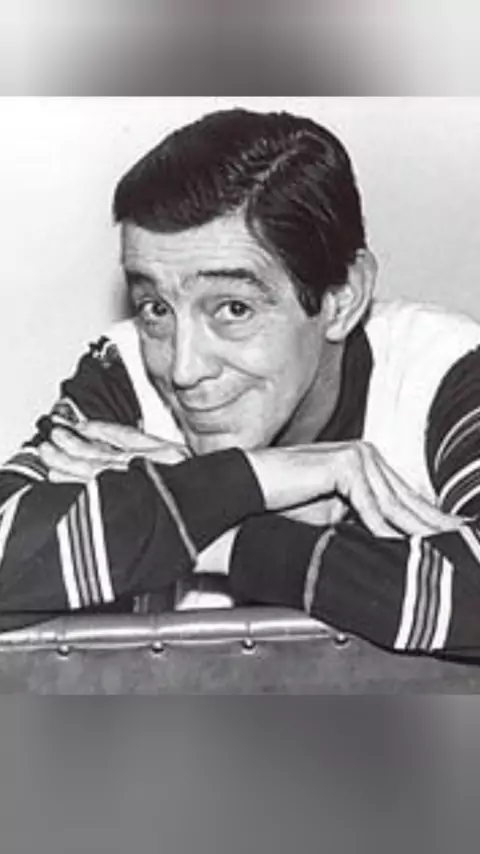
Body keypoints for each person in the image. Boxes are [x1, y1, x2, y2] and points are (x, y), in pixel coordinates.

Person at [1, 107, 480, 658]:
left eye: (233, 308)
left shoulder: (444, 373)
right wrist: (242, 483)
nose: (183, 368)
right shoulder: (125, 371)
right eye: (155, 307)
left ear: (341, 299)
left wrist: (225, 533)